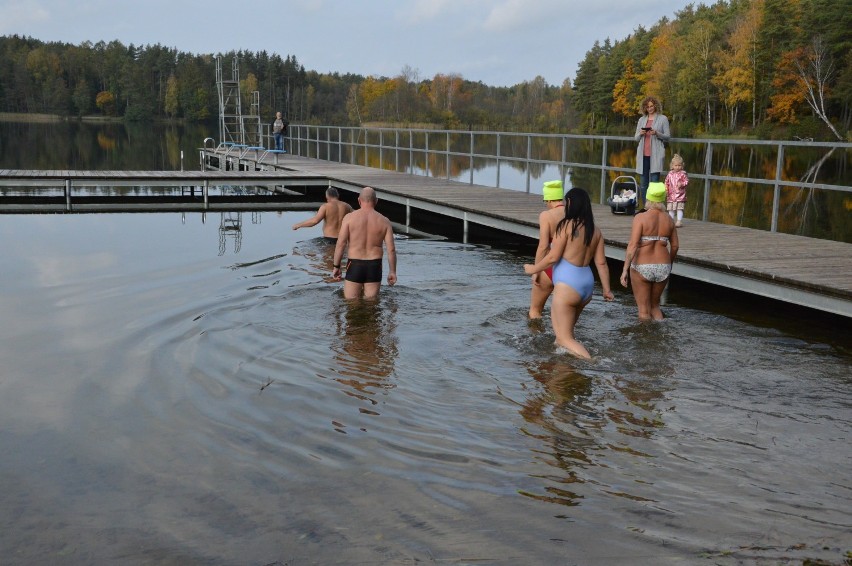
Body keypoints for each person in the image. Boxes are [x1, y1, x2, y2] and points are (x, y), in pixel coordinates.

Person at [524, 188, 615, 359]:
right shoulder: (595, 231)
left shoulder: (566, 226)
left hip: (568, 285)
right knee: (564, 339)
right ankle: (565, 369)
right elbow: (601, 263)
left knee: (563, 338)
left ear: (571, 204)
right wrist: (606, 290)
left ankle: (593, 362)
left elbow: (552, 257)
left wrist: (533, 269)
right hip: (587, 285)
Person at [620, 182, 679, 321]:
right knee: (655, 306)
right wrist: (668, 264)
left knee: (643, 310)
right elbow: (675, 246)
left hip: (642, 266)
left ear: (648, 198)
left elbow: (633, 245)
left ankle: (646, 341)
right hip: (663, 267)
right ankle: (660, 335)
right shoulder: (669, 220)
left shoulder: (640, 218)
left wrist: (624, 269)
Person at [333, 186, 397, 300]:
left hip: (355, 265)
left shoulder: (349, 218)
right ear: (376, 201)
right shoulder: (385, 221)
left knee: (351, 305)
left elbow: (341, 244)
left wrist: (336, 266)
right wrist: (392, 271)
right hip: (375, 265)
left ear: (359, 200)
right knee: (372, 306)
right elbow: (391, 249)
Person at [529, 180, 566, 319]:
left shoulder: (546, 216)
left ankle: (535, 338)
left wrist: (536, 270)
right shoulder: (572, 213)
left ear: (549, 199)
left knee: (535, 310)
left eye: (545, 200)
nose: (546, 204)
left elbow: (543, 246)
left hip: (550, 268)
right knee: (564, 315)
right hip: (569, 268)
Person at [634, 96, 670, 210]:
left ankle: (655, 209)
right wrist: (641, 133)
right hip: (643, 155)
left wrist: (657, 133)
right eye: (647, 106)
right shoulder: (641, 120)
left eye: (651, 106)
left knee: (654, 184)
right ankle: (645, 208)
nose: (650, 108)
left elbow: (668, 137)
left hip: (656, 156)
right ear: (645, 108)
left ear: (655, 106)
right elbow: (635, 138)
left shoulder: (663, 119)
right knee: (643, 184)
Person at [665, 153, 689, 227]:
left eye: (679, 165)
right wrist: (666, 189)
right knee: (671, 209)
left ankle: (679, 221)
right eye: (676, 165)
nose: (678, 167)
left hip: (680, 194)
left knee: (679, 208)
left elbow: (686, 181)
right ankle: (671, 221)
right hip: (671, 194)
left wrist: (682, 184)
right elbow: (666, 182)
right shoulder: (670, 174)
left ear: (682, 166)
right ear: (672, 166)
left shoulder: (683, 174)